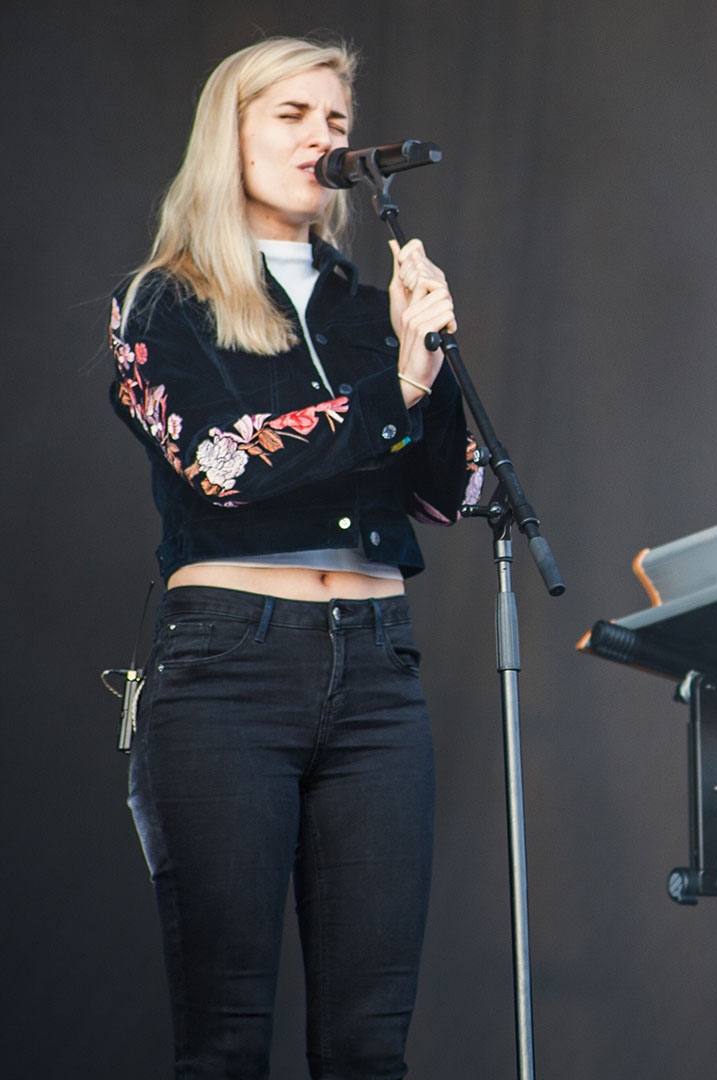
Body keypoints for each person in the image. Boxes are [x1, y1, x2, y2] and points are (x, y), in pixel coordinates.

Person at [108, 35, 478, 1077]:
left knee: (370, 1041)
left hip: (378, 669)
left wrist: (430, 366)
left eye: (337, 124)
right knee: (226, 1035)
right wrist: (391, 398)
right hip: (230, 665)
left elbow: (461, 493)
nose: (323, 137)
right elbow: (220, 463)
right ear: (227, 134)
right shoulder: (162, 303)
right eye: (293, 115)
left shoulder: (376, 313)